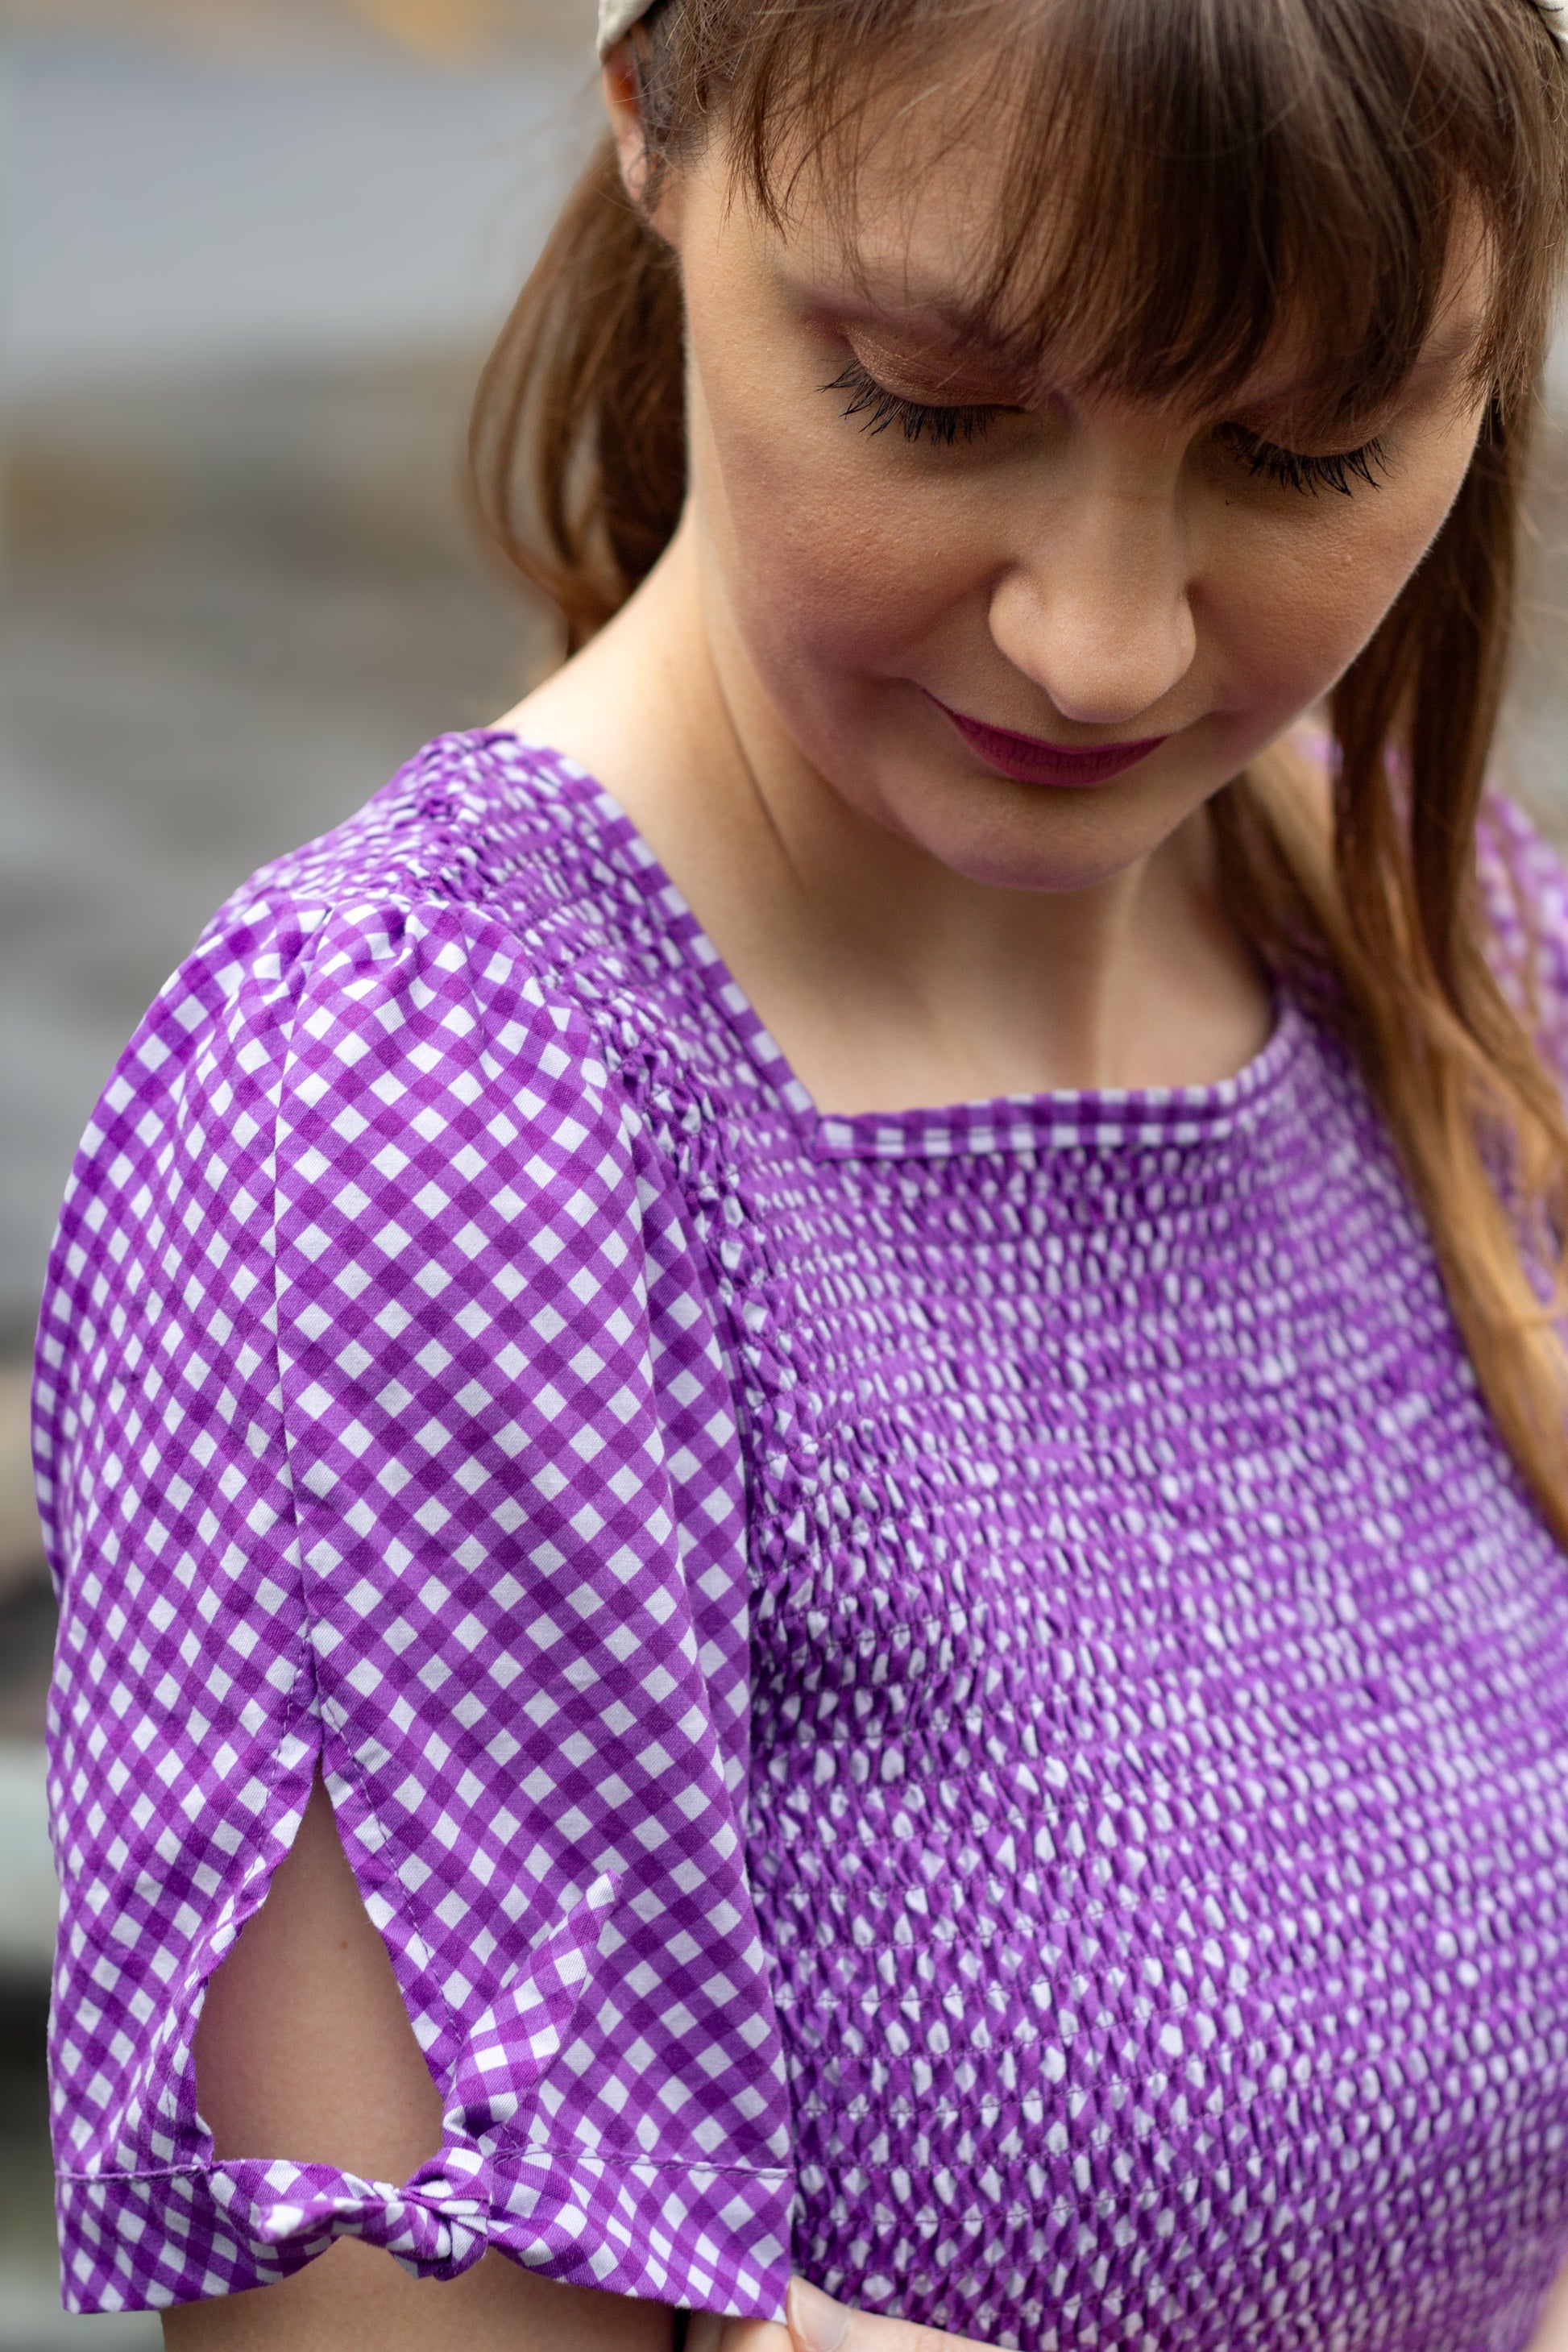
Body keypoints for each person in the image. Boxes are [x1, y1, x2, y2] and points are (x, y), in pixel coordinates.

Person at [31, 0, 1568, 2344]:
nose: (1100, 643)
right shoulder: (421, 1112)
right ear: (656, 117)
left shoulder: (1442, 933)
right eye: (935, 404)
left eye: (1308, 452)